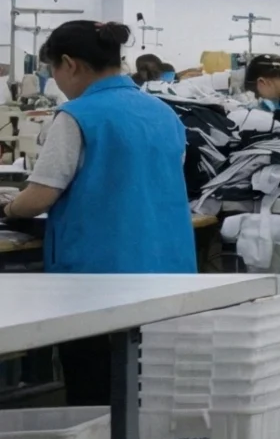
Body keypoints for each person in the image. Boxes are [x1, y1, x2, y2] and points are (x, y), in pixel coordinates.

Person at [1, 21, 195, 405]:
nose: (56, 81)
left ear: (70, 64)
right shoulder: (163, 113)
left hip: (98, 277)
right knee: (149, 388)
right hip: (167, 268)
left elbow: (40, 196)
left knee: (94, 391)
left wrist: (9, 205)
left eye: (53, 70)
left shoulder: (77, 115)